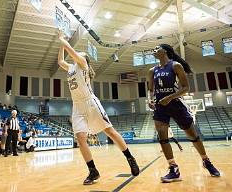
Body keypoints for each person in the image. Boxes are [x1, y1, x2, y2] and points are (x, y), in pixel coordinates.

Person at [57, 31, 139, 185]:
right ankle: (93, 171)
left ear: (84, 59)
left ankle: (130, 157)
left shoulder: (82, 63)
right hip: (77, 106)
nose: (78, 54)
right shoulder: (71, 68)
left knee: (110, 131)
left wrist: (63, 39)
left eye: (80, 54)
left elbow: (72, 52)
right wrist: (61, 43)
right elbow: (61, 61)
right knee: (81, 138)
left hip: (91, 103)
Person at [148, 44, 220, 183]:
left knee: (193, 136)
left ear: (165, 51)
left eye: (157, 48)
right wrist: (150, 100)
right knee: (162, 137)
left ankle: (206, 161)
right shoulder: (152, 70)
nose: (154, 50)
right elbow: (151, 89)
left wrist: (169, 97)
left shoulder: (175, 66)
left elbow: (186, 88)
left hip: (175, 104)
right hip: (160, 106)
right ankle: (173, 168)